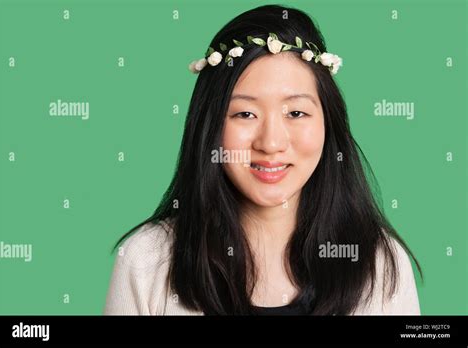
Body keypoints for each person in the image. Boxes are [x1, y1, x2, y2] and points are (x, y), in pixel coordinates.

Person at [104, 4, 421, 315]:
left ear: (328, 122)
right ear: (210, 125)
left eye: (296, 113)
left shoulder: (380, 265)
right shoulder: (145, 261)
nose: (270, 143)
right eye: (245, 113)